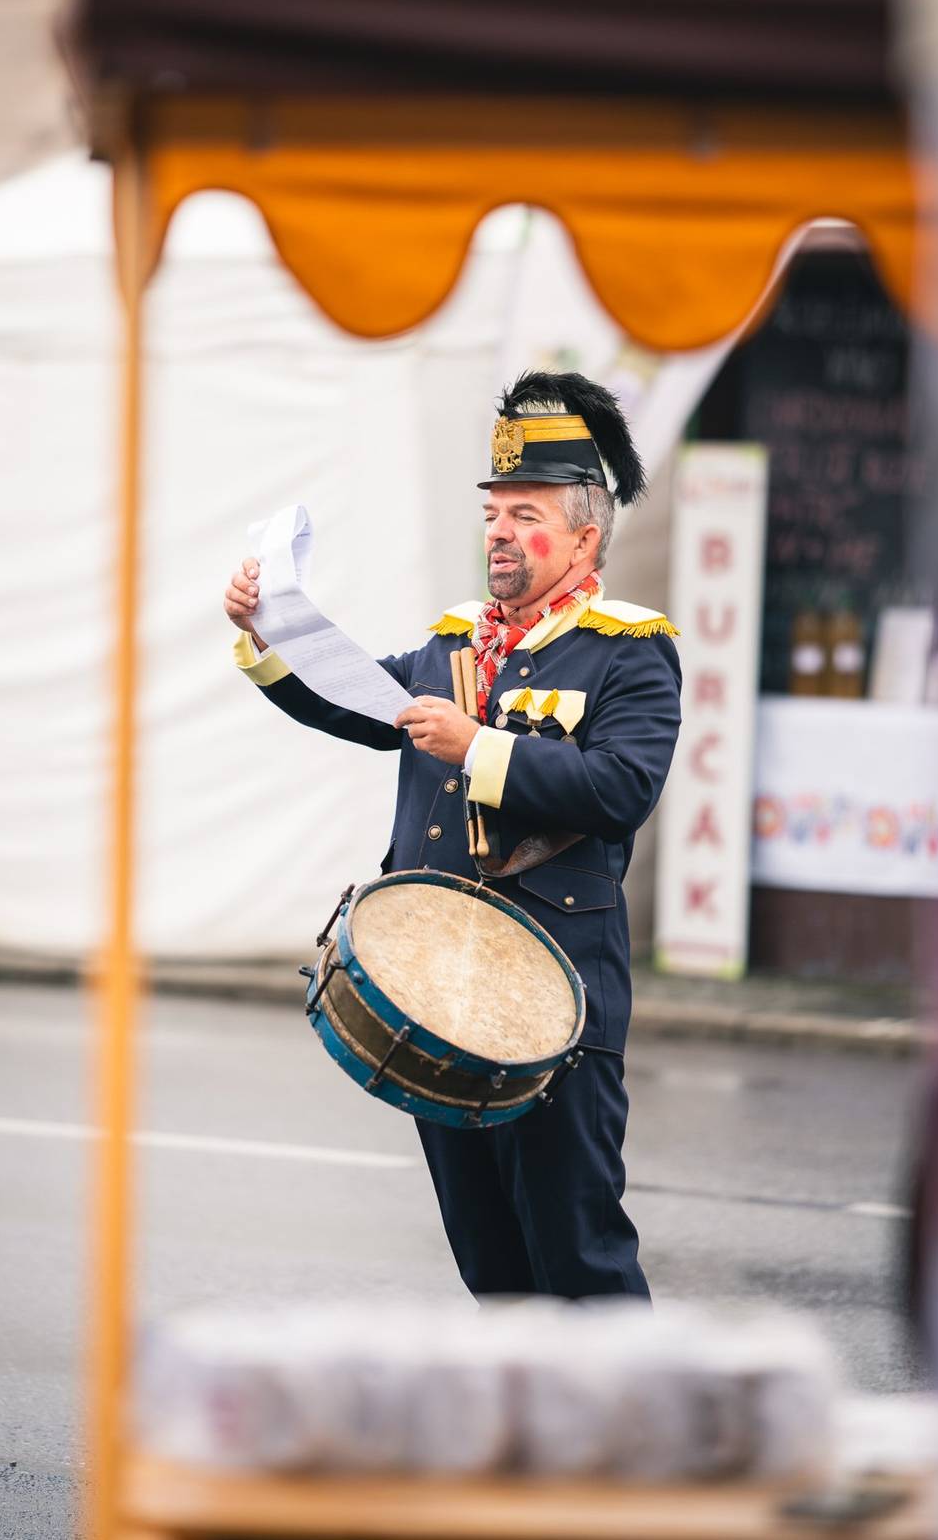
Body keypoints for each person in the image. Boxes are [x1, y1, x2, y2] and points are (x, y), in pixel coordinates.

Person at [224, 371, 682, 1299]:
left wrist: (478, 746)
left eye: (525, 514)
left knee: (581, 1260)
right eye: (492, 514)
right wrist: (265, 633)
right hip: (437, 997)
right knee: (492, 1265)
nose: (499, 532)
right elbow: (357, 701)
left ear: (585, 537)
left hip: (555, 1005)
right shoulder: (456, 642)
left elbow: (623, 789)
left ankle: (627, 1402)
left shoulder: (628, 650)